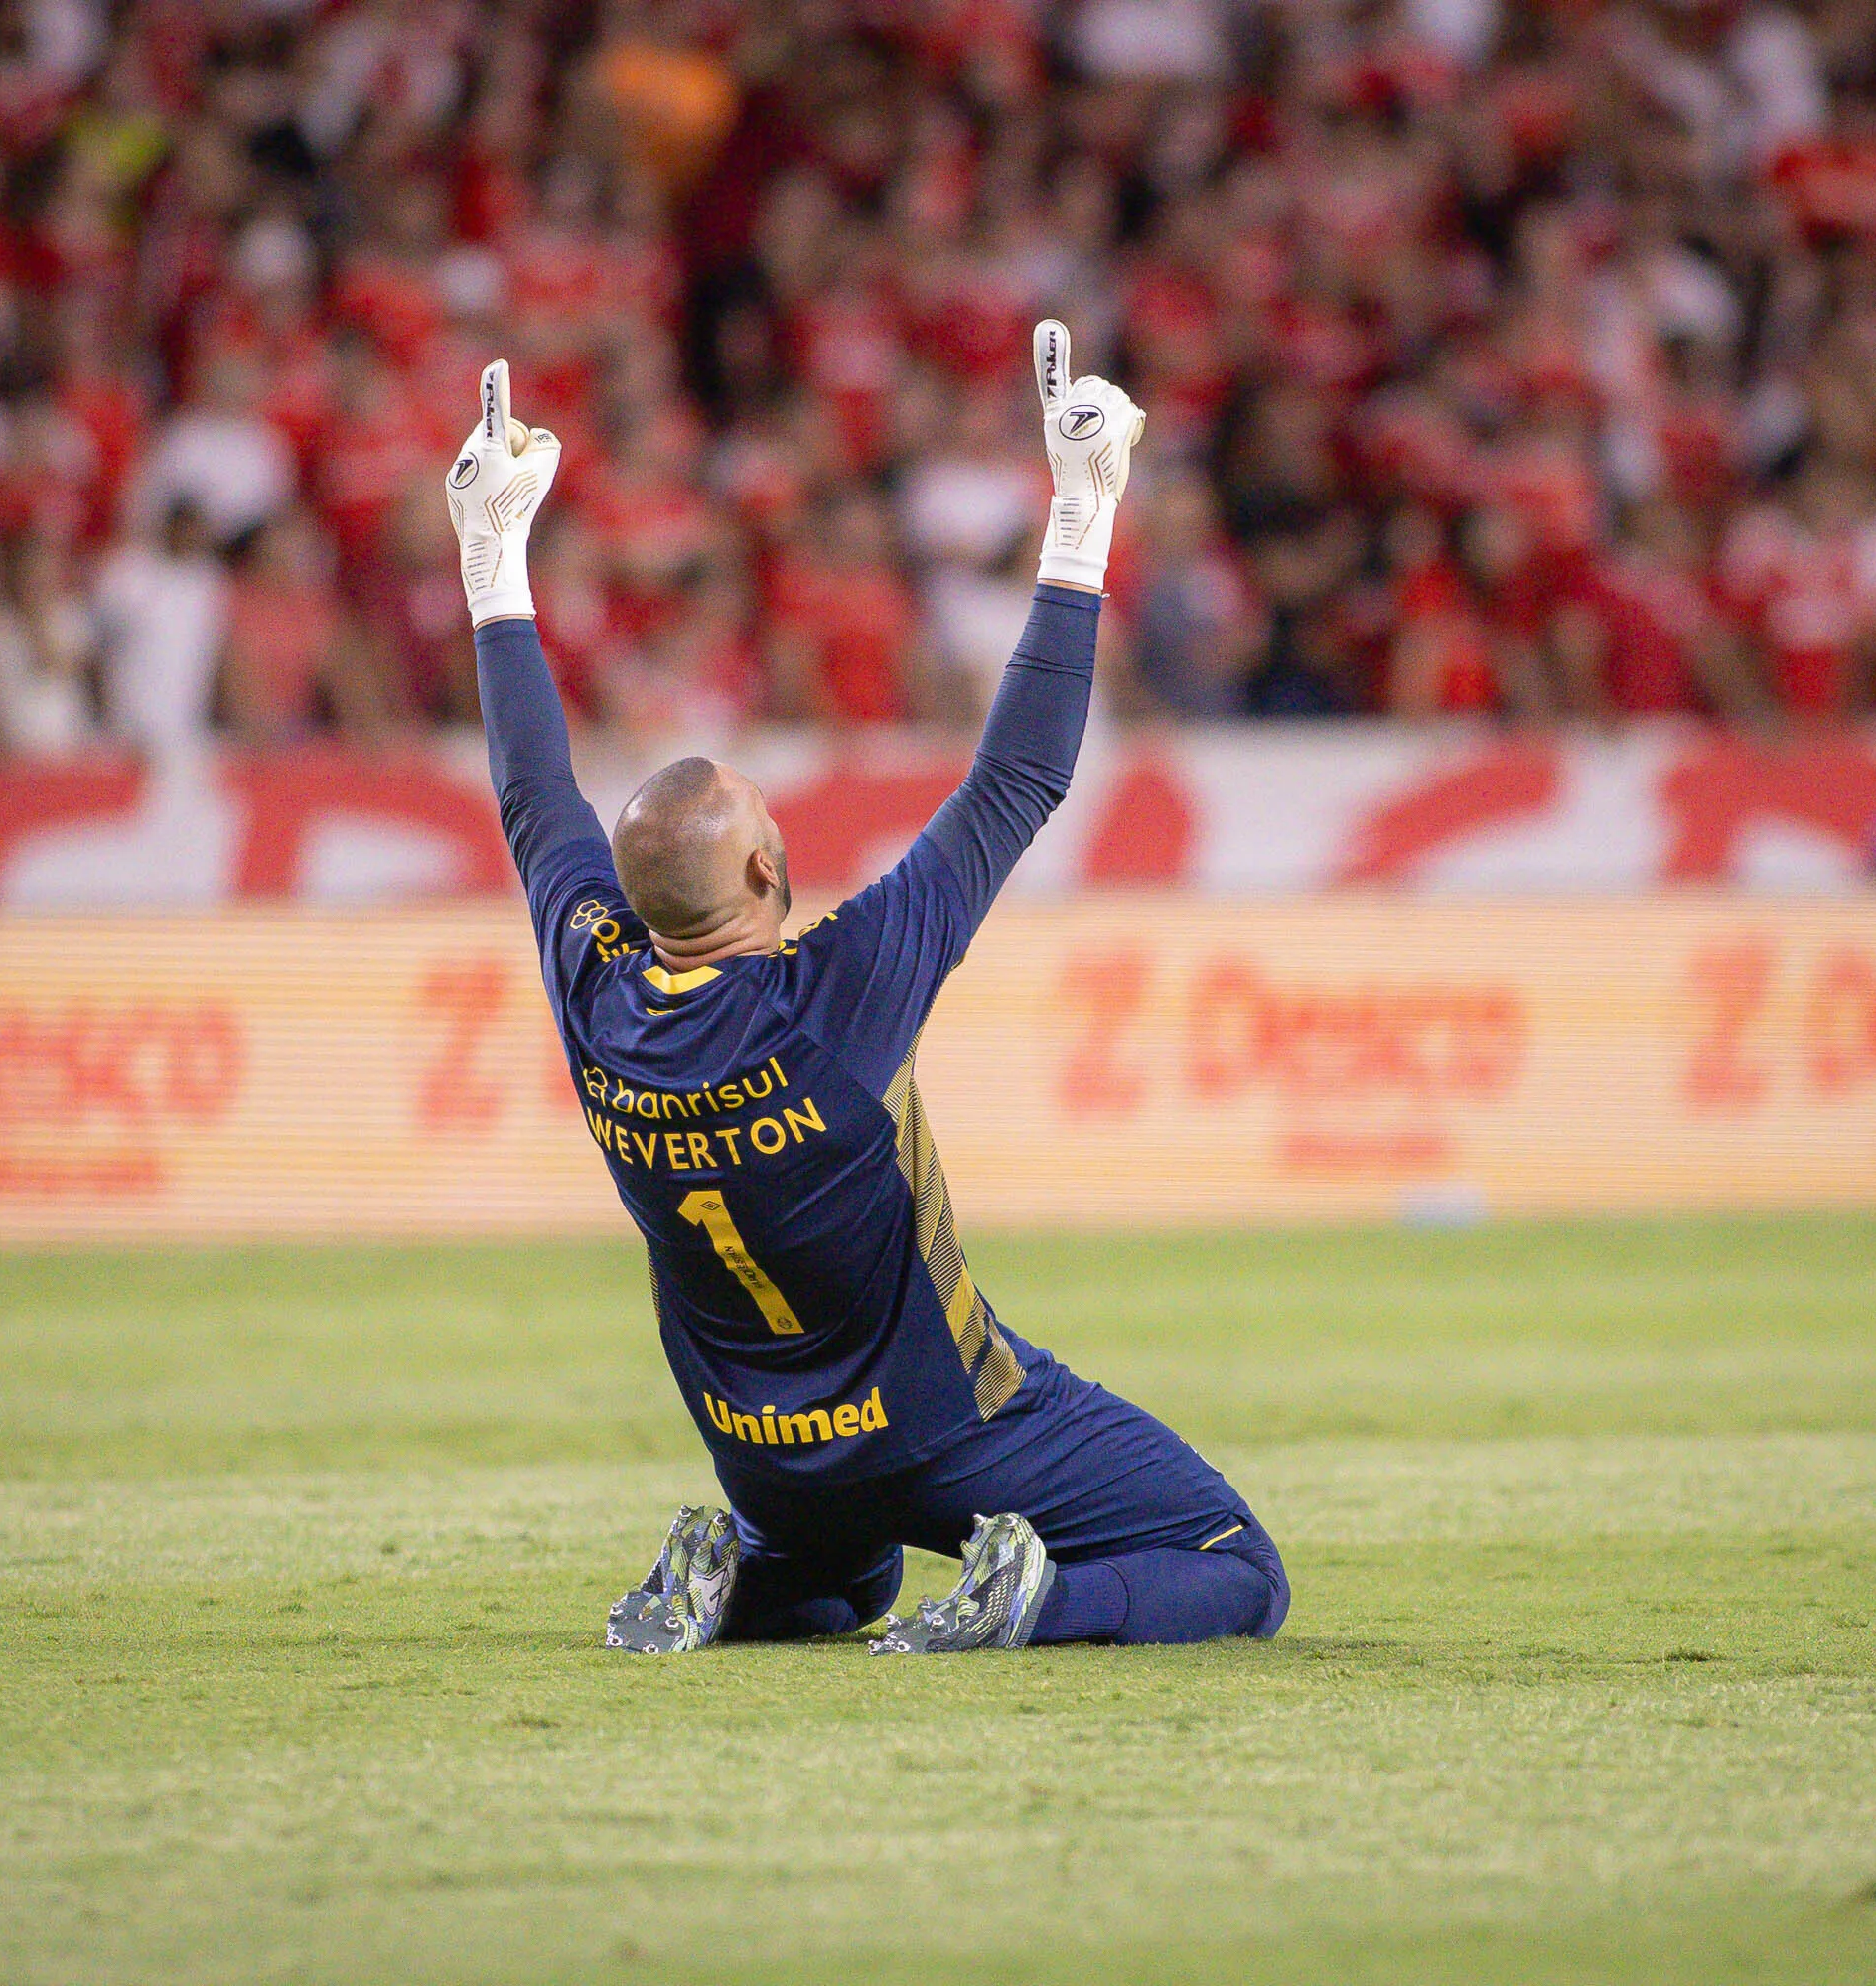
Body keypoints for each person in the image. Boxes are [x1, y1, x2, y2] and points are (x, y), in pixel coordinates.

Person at [447, 329, 1288, 1656]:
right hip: (949, 1431)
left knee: (859, 1583)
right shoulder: (834, 998)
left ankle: (750, 1582)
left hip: (766, 1460)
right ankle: (1041, 1599)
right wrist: (1083, 517)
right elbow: (1017, 782)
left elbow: (528, 794)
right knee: (1234, 1565)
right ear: (771, 867)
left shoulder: (595, 990)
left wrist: (490, 559)